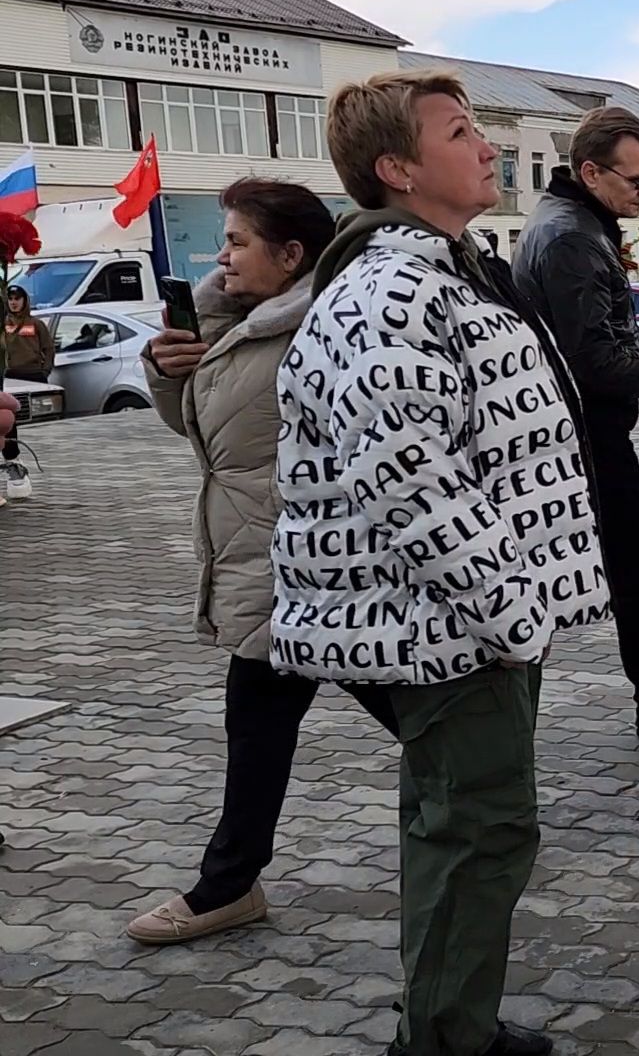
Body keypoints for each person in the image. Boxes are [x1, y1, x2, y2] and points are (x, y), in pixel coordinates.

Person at [272, 69, 611, 1056]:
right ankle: (445, 1041)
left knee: (455, 825)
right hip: (450, 631)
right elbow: (411, 482)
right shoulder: (390, 292)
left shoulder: (436, 272)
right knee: (479, 830)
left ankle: (447, 1022)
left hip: (454, 626)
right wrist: (512, 619)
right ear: (398, 168)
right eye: (460, 132)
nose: (488, 147)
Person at [122, 179, 402, 947]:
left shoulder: (320, 329)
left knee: (393, 706)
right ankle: (230, 882)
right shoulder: (242, 326)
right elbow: (206, 433)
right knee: (267, 722)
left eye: (239, 240)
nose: (222, 254)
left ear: (291, 255)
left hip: (311, 566)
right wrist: (174, 366)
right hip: (262, 561)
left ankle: (228, 883)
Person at [513, 107, 639, 747]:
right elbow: (591, 358)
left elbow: (603, 329)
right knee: (635, 570)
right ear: (591, 171)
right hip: (584, 437)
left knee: (621, 569)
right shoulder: (572, 236)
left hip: (568, 431)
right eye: (636, 181)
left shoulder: (568, 221)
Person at [2, 284, 53, 499]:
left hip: (32, 375)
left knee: (11, 417)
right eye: (10, 298)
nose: (14, 302)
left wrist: (45, 370)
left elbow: (48, 348)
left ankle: (14, 463)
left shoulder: (36, 324)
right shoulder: (4, 324)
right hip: (9, 374)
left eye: (17, 298)